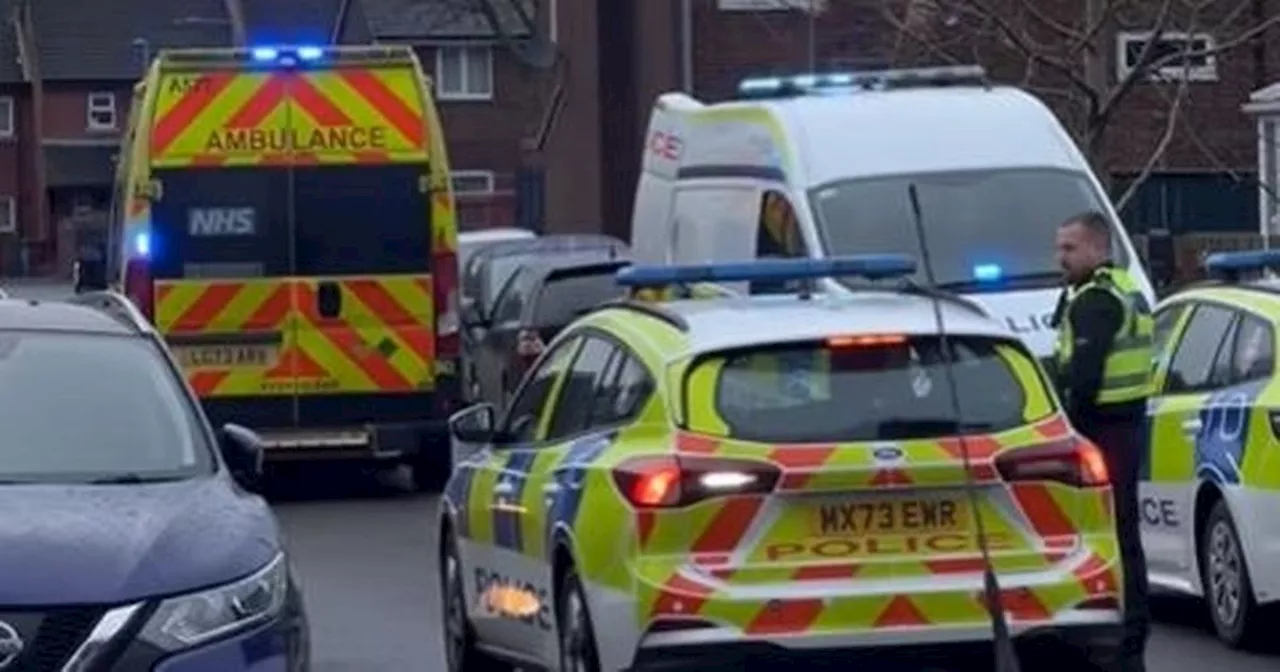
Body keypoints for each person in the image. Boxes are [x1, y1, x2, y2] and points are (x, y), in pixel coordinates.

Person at [1051, 211, 1152, 672]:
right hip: (1125, 425)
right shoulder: (1121, 288)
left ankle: (1123, 636)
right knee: (1124, 534)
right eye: (1059, 248)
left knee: (1111, 535)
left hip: (1102, 428)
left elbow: (1084, 377)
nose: (1061, 258)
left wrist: (1064, 420)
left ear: (1098, 248)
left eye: (1070, 248)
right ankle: (1131, 634)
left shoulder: (1095, 301)